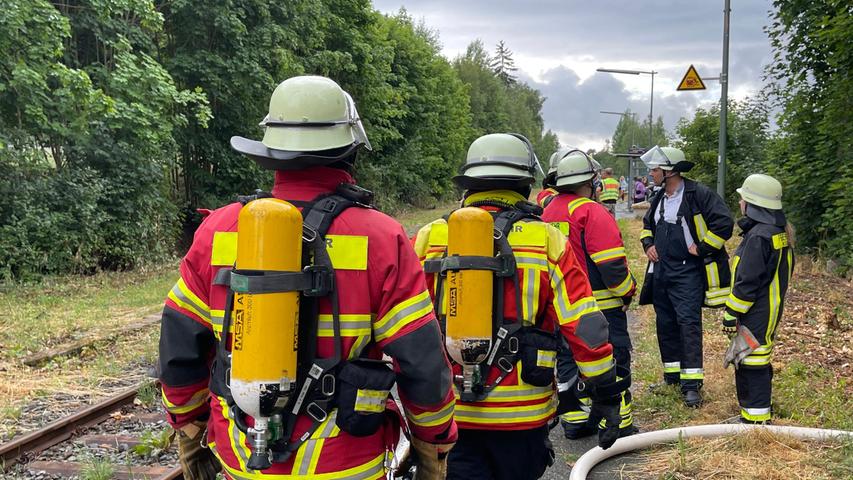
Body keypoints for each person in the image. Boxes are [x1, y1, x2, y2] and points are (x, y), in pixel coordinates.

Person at [158, 75, 457, 480]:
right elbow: (422, 363)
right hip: (346, 464)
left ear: (271, 150)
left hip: (242, 458)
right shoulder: (382, 238)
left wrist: (189, 429)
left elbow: (179, 348)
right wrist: (431, 444)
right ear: (349, 149)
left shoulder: (220, 230)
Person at [413, 133, 628, 480]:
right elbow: (584, 325)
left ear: (468, 184)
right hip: (523, 414)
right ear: (526, 184)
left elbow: (405, 326)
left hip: (449, 410)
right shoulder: (547, 240)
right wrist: (605, 392)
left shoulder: (429, 237)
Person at [541, 150, 638, 440]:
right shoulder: (591, 211)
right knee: (614, 360)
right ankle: (619, 423)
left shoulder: (547, 212)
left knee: (568, 359)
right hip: (600, 307)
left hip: (561, 308)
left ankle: (575, 419)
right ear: (590, 182)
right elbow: (611, 265)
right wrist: (627, 292)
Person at [638, 146, 733, 407]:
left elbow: (724, 223)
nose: (651, 173)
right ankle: (672, 378)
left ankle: (691, 386)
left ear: (670, 171)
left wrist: (702, 248)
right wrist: (648, 245)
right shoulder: (658, 197)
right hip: (662, 273)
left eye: (655, 169)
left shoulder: (697, 194)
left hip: (687, 273)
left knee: (688, 326)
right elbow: (647, 226)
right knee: (665, 325)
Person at [723, 174, 794, 423]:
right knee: (756, 358)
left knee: (752, 362)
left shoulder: (758, 237)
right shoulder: (775, 232)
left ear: (752, 203)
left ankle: (755, 421)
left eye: (743, 199)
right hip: (768, 308)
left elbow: (747, 282)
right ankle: (753, 415)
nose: (740, 202)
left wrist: (731, 312)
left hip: (756, 310)